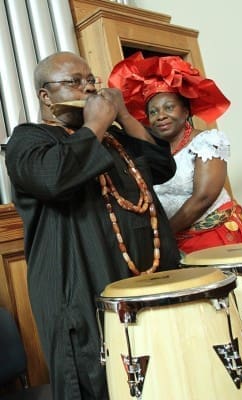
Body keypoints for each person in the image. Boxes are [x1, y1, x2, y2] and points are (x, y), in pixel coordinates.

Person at [5, 51, 180, 400]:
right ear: (45, 95)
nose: (87, 89)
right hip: (79, 291)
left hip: (137, 284)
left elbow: (162, 167)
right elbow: (54, 177)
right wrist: (97, 124)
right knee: (97, 383)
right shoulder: (28, 140)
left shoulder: (112, 137)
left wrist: (125, 115)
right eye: (74, 81)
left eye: (91, 81)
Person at [108, 52, 242, 255]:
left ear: (185, 112)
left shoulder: (206, 141)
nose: (161, 116)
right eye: (153, 112)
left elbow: (203, 197)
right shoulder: (154, 155)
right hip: (176, 243)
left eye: (169, 107)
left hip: (213, 238)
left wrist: (162, 235)